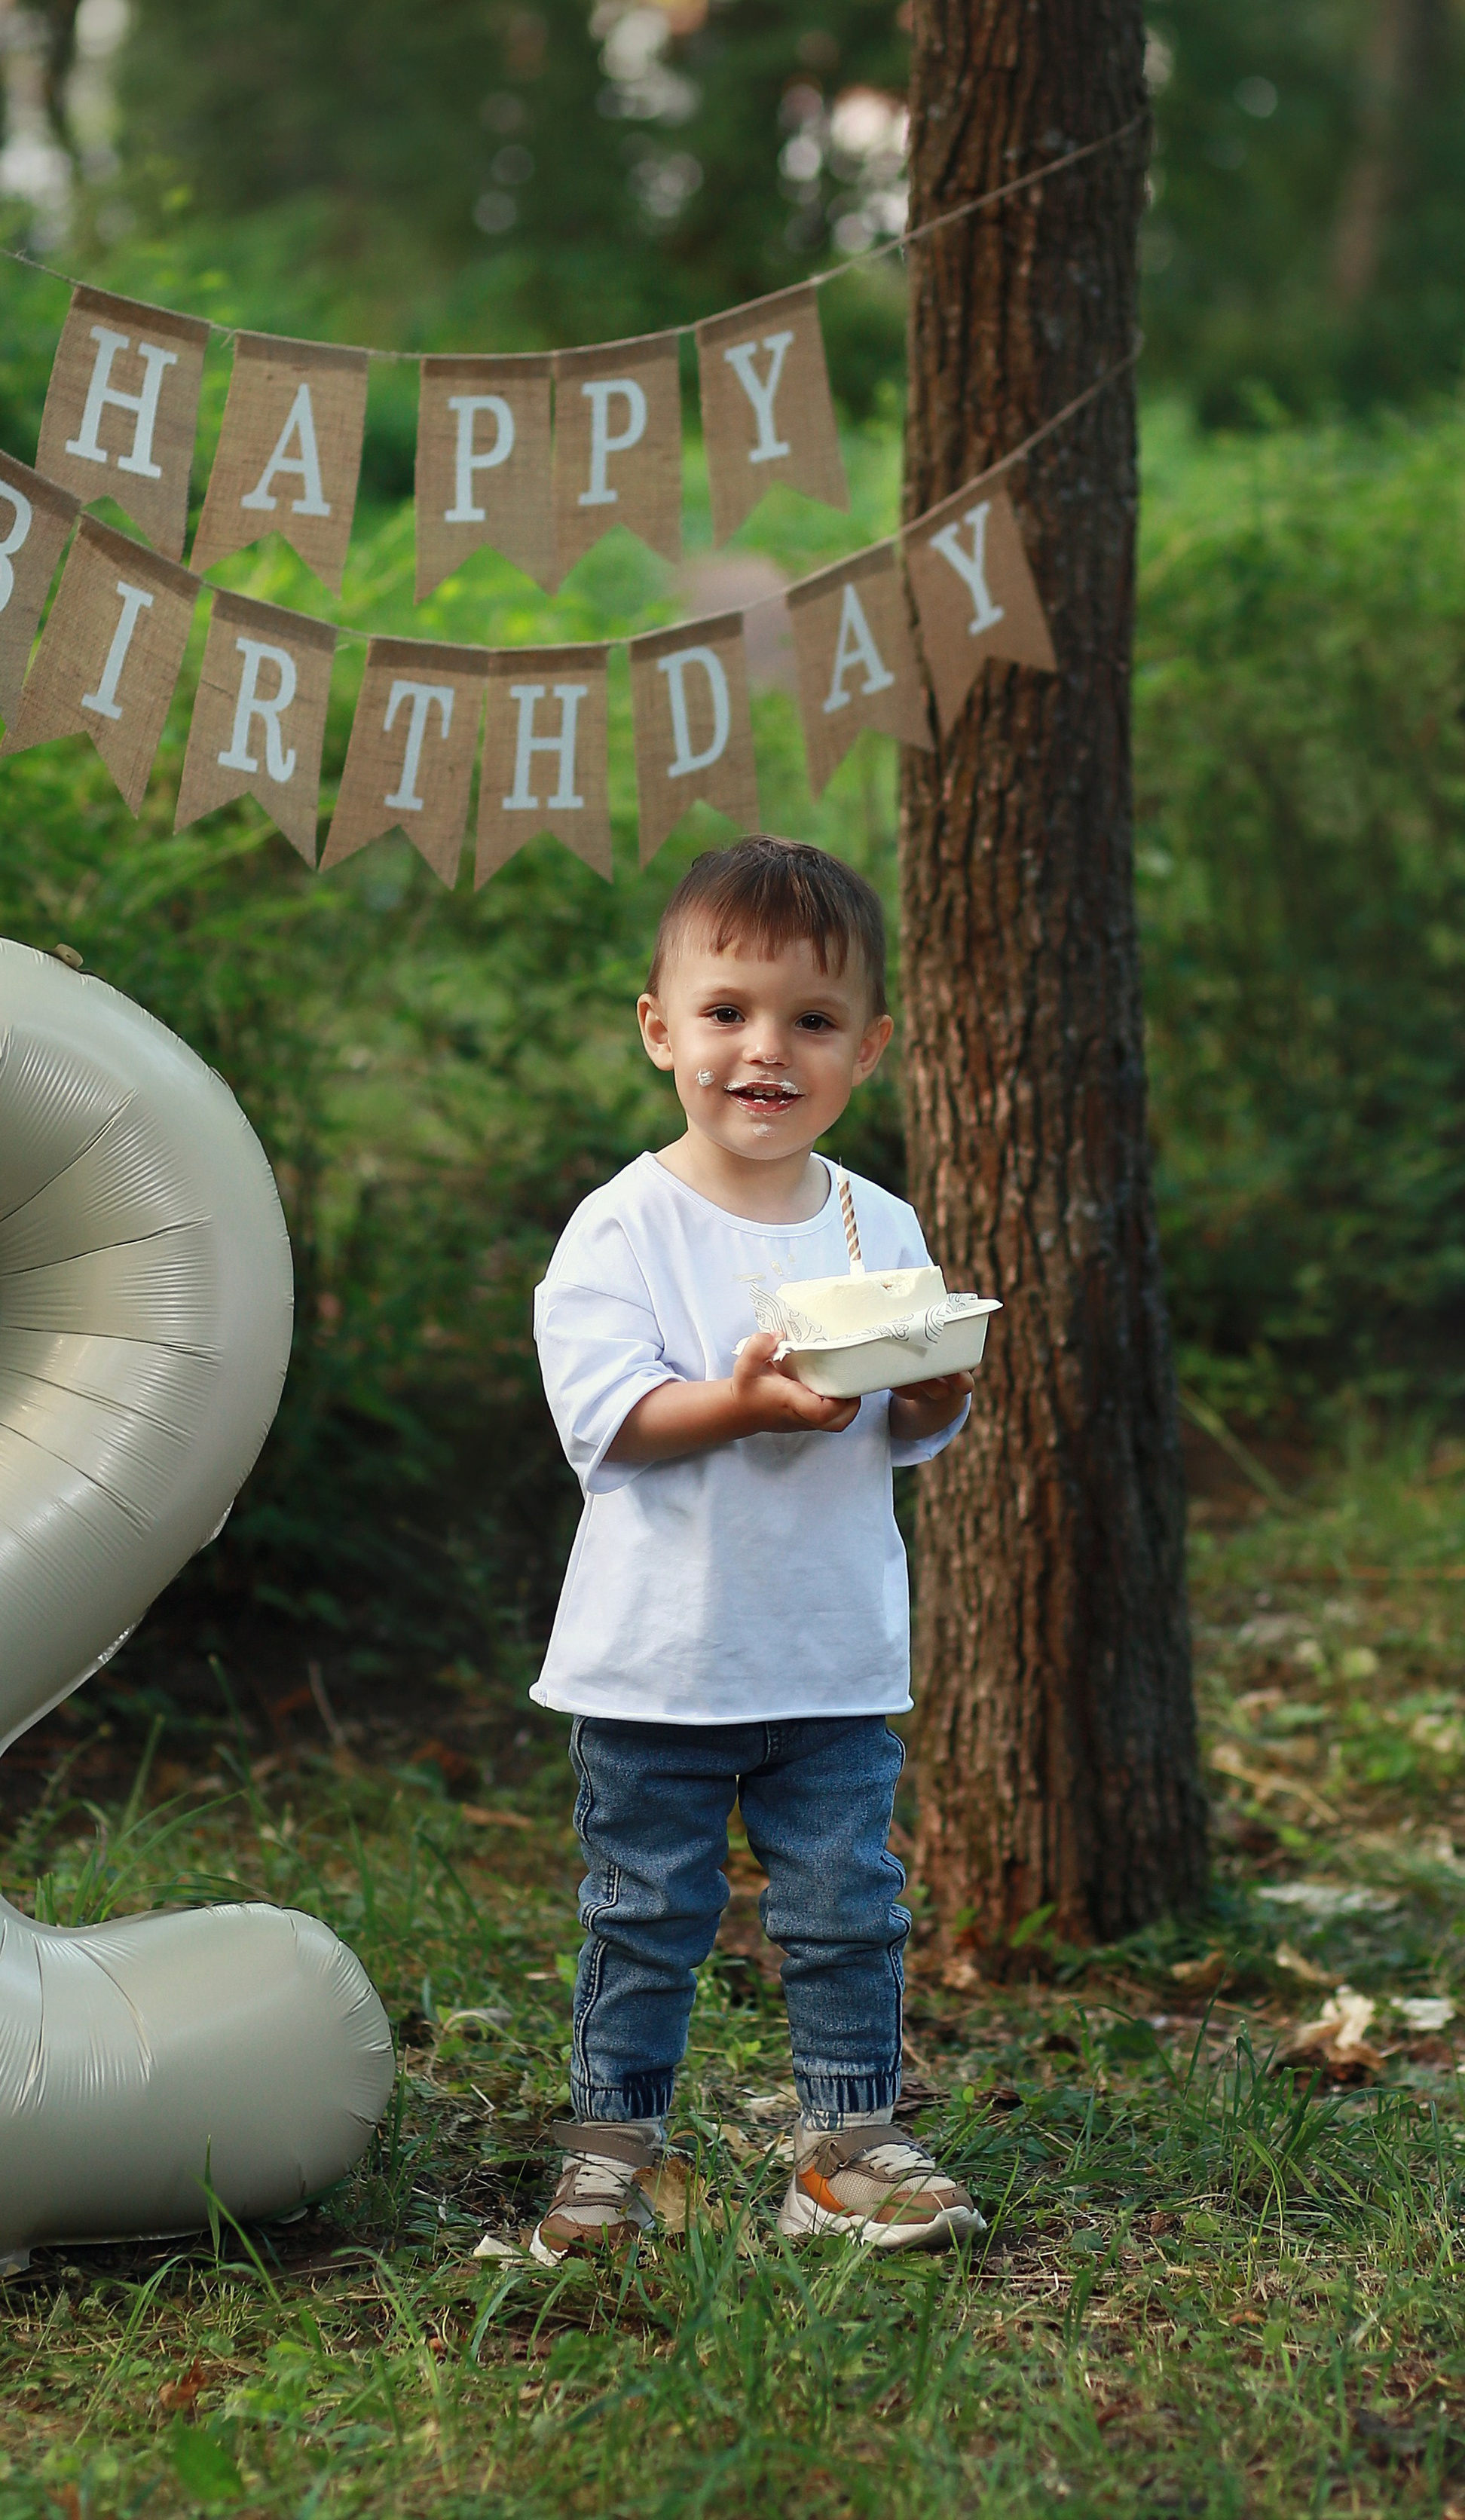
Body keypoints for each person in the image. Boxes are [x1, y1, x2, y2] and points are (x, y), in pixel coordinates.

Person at [526, 834, 983, 2258]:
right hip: (659, 1662)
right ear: (660, 1028)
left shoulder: (874, 1220)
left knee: (847, 1908)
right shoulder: (623, 1226)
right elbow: (609, 1418)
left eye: (813, 1019)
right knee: (647, 1911)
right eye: (726, 1011)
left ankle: (845, 2149)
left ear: (870, 1049)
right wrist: (740, 1400)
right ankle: (613, 2156)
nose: (766, 1049)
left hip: (830, 1650)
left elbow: (901, 1425)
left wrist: (935, 1397)